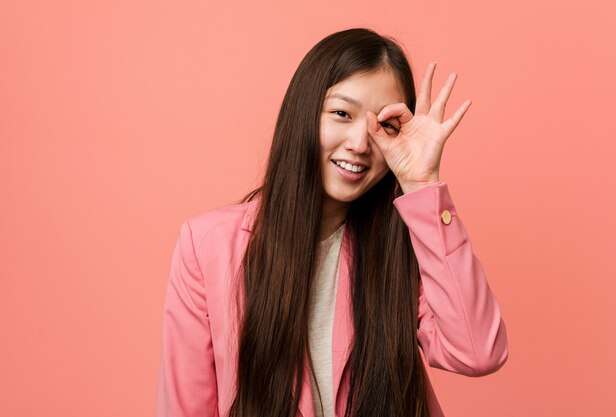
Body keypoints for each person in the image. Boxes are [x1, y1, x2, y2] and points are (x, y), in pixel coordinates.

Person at [155, 27, 509, 417]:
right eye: (342, 113)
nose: (360, 143)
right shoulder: (208, 245)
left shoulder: (407, 246)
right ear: (304, 112)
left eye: (385, 126)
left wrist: (422, 185)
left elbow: (478, 353)